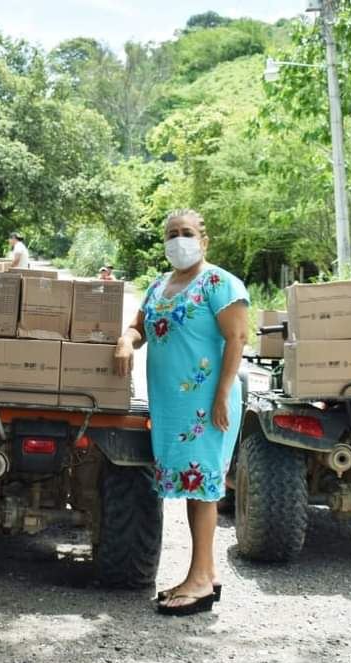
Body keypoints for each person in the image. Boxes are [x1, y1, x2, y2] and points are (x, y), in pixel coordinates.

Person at [114, 208, 250, 616]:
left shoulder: (219, 283)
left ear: (203, 241)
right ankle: (205, 572)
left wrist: (222, 395)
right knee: (193, 487)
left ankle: (200, 580)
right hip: (173, 406)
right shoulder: (160, 285)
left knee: (202, 485)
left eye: (187, 232)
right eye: (172, 233)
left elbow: (237, 337)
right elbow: (139, 327)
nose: (179, 239)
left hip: (207, 404)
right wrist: (125, 340)